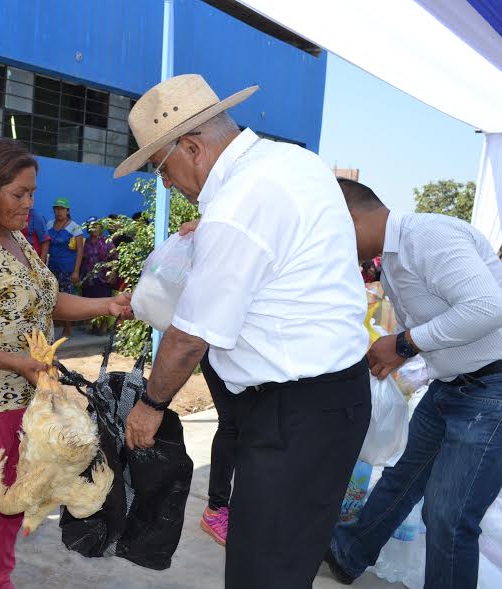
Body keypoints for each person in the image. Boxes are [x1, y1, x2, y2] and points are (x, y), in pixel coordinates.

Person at [115, 74, 370, 589]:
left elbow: (189, 337)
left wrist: (151, 406)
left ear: (191, 147)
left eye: (162, 171)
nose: (168, 186)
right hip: (325, 402)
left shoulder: (239, 203)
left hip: (295, 412)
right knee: (284, 559)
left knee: (263, 572)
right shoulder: (290, 163)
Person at [0, 138, 132, 589]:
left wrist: (108, 306)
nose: (30, 203)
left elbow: (47, 299)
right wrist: (16, 362)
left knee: (15, 504)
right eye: (19, 193)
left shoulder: (16, 239)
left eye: (32, 193)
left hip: (26, 401)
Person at [325, 179, 502, 589]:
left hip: (491, 390)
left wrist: (404, 345)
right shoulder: (391, 263)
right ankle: (347, 553)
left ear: (350, 218)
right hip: (452, 387)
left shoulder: (427, 235)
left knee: (449, 515)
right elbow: (436, 326)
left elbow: (487, 307)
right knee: (401, 479)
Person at [47, 197, 84, 338]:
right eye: (56, 208)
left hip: (67, 269)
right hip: (51, 267)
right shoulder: (50, 224)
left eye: (62, 209)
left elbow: (80, 250)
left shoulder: (75, 227)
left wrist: (76, 271)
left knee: (67, 299)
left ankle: (67, 329)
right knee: (51, 298)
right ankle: (51, 327)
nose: (58, 211)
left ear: (67, 211)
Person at [80, 217, 116, 299]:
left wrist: (113, 273)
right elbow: (81, 261)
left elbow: (115, 259)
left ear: (101, 228)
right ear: (88, 229)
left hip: (103, 280)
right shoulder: (84, 243)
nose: (94, 228)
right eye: (91, 226)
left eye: (96, 226)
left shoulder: (107, 242)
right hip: (87, 282)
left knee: (102, 308)